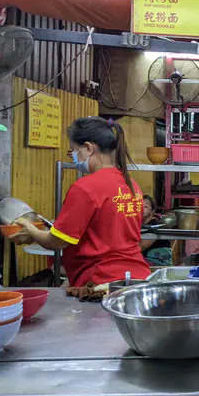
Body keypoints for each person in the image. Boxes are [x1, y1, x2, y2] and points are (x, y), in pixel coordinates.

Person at [18, 117, 150, 286]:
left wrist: (29, 229)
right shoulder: (132, 184)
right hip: (137, 277)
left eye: (74, 150)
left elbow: (57, 241)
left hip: (101, 281)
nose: (73, 156)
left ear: (88, 148)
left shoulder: (86, 187)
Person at [140, 194, 172, 266]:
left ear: (152, 210)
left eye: (145, 206)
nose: (141, 209)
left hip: (159, 264)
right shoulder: (140, 225)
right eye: (139, 206)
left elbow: (140, 247)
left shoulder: (155, 225)